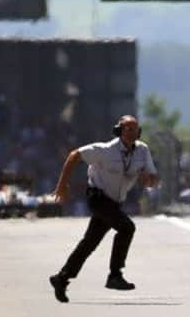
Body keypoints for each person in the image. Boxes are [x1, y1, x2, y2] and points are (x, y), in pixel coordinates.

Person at [48, 115, 159, 303]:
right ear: (119, 131)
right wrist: (62, 185)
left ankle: (62, 278)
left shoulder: (142, 151)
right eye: (128, 129)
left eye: (136, 130)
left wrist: (149, 180)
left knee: (89, 242)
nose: (133, 133)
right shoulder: (105, 150)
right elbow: (74, 155)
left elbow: (152, 177)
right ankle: (115, 275)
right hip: (98, 198)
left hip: (114, 202)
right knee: (127, 227)